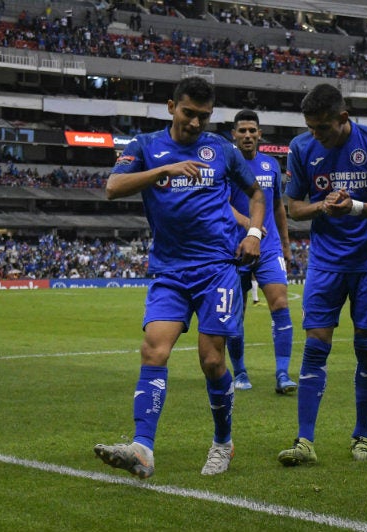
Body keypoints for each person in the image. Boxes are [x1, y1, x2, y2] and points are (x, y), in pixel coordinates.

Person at [93, 77, 266, 478]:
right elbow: (113, 187)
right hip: (169, 270)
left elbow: (257, 194)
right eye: (189, 113)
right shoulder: (145, 146)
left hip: (217, 269)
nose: (195, 123)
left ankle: (223, 442)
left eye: (203, 117)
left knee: (210, 360)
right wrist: (164, 170)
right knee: (154, 351)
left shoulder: (221, 149)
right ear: (172, 106)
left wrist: (255, 234)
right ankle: (143, 448)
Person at [277, 83, 367, 465]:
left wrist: (354, 207)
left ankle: (362, 438)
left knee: (366, 348)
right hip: (325, 261)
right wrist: (323, 206)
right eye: (312, 128)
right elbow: (295, 208)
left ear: (343, 118)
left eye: (323, 128)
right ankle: (304, 442)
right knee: (316, 346)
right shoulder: (302, 148)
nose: (316, 135)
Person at [228, 109, 296, 394]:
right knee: (235, 314)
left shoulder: (271, 166)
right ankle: (240, 372)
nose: (247, 135)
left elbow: (278, 207)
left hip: (268, 247)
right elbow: (220, 203)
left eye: (252, 131)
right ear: (233, 135)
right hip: (233, 247)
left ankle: (282, 373)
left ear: (259, 135)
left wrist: (286, 244)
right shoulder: (226, 165)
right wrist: (247, 224)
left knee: (280, 304)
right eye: (242, 130)